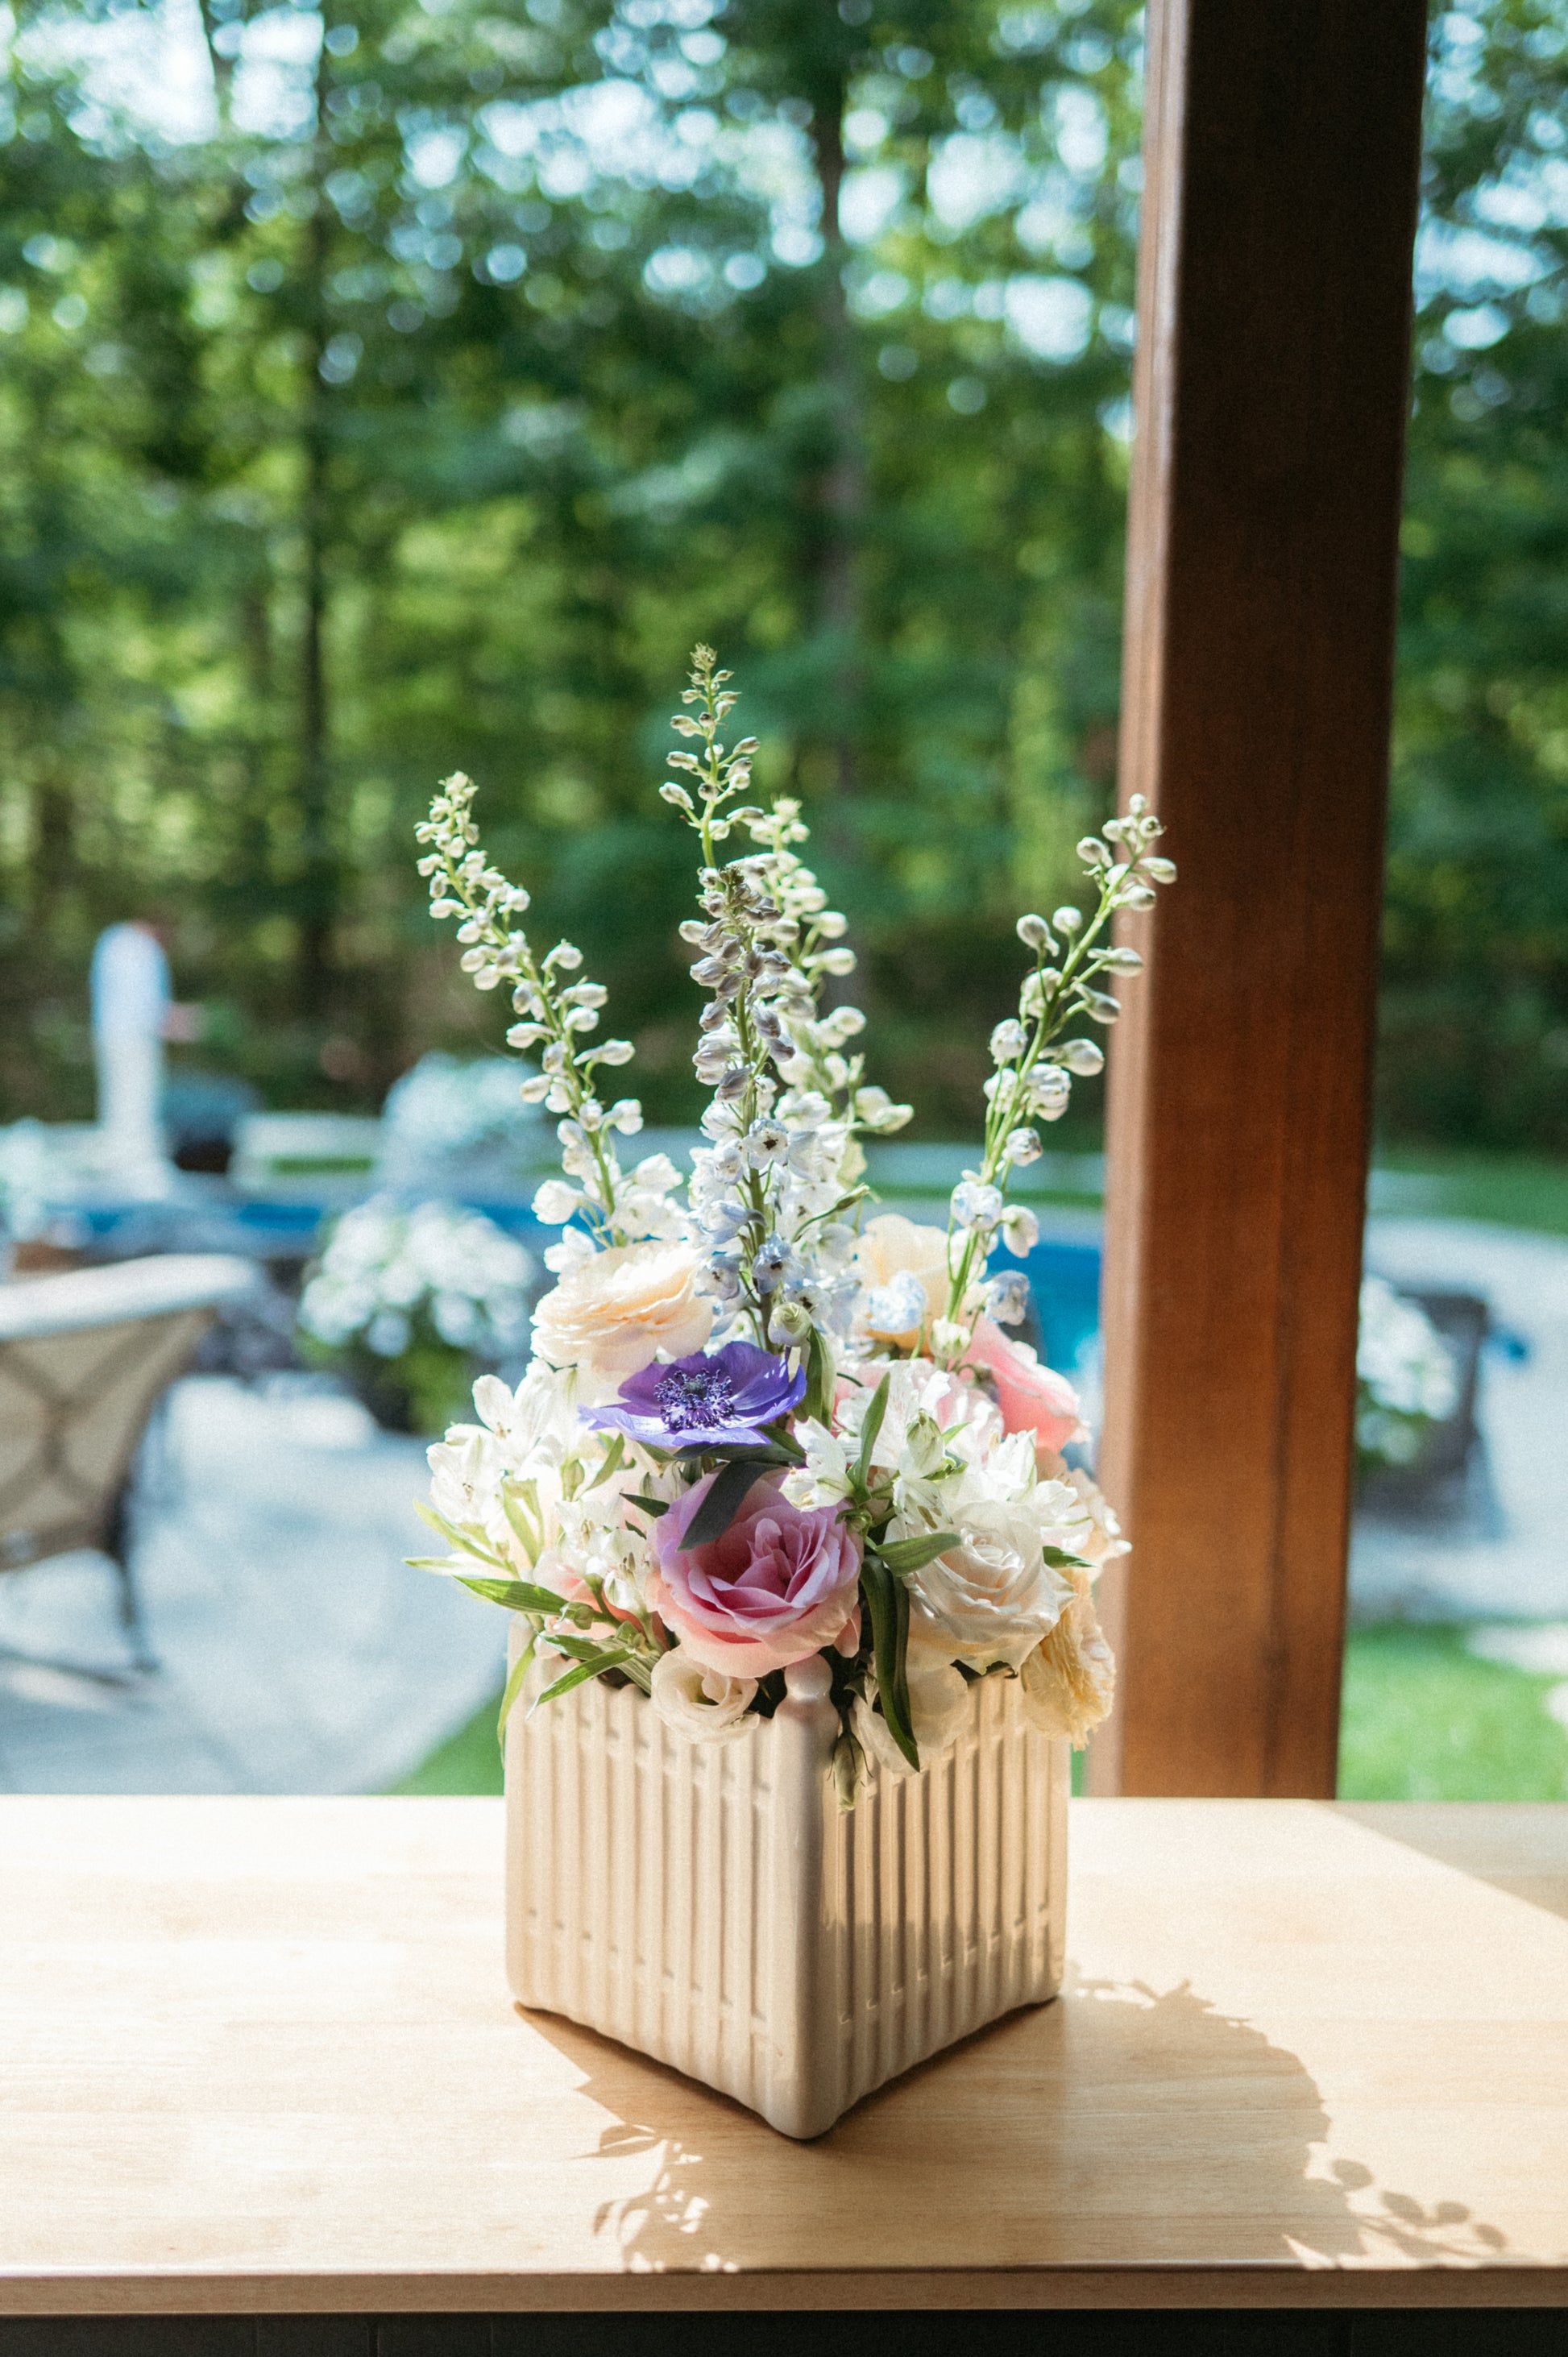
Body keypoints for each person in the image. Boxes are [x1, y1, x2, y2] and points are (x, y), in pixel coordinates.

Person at [89, 919, 197, 1195]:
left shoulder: (112, 941)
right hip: (135, 1038)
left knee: (120, 1101)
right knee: (136, 1101)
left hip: (111, 1034)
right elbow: (150, 1008)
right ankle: (132, 1166)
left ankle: (121, 1161)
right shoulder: (143, 950)